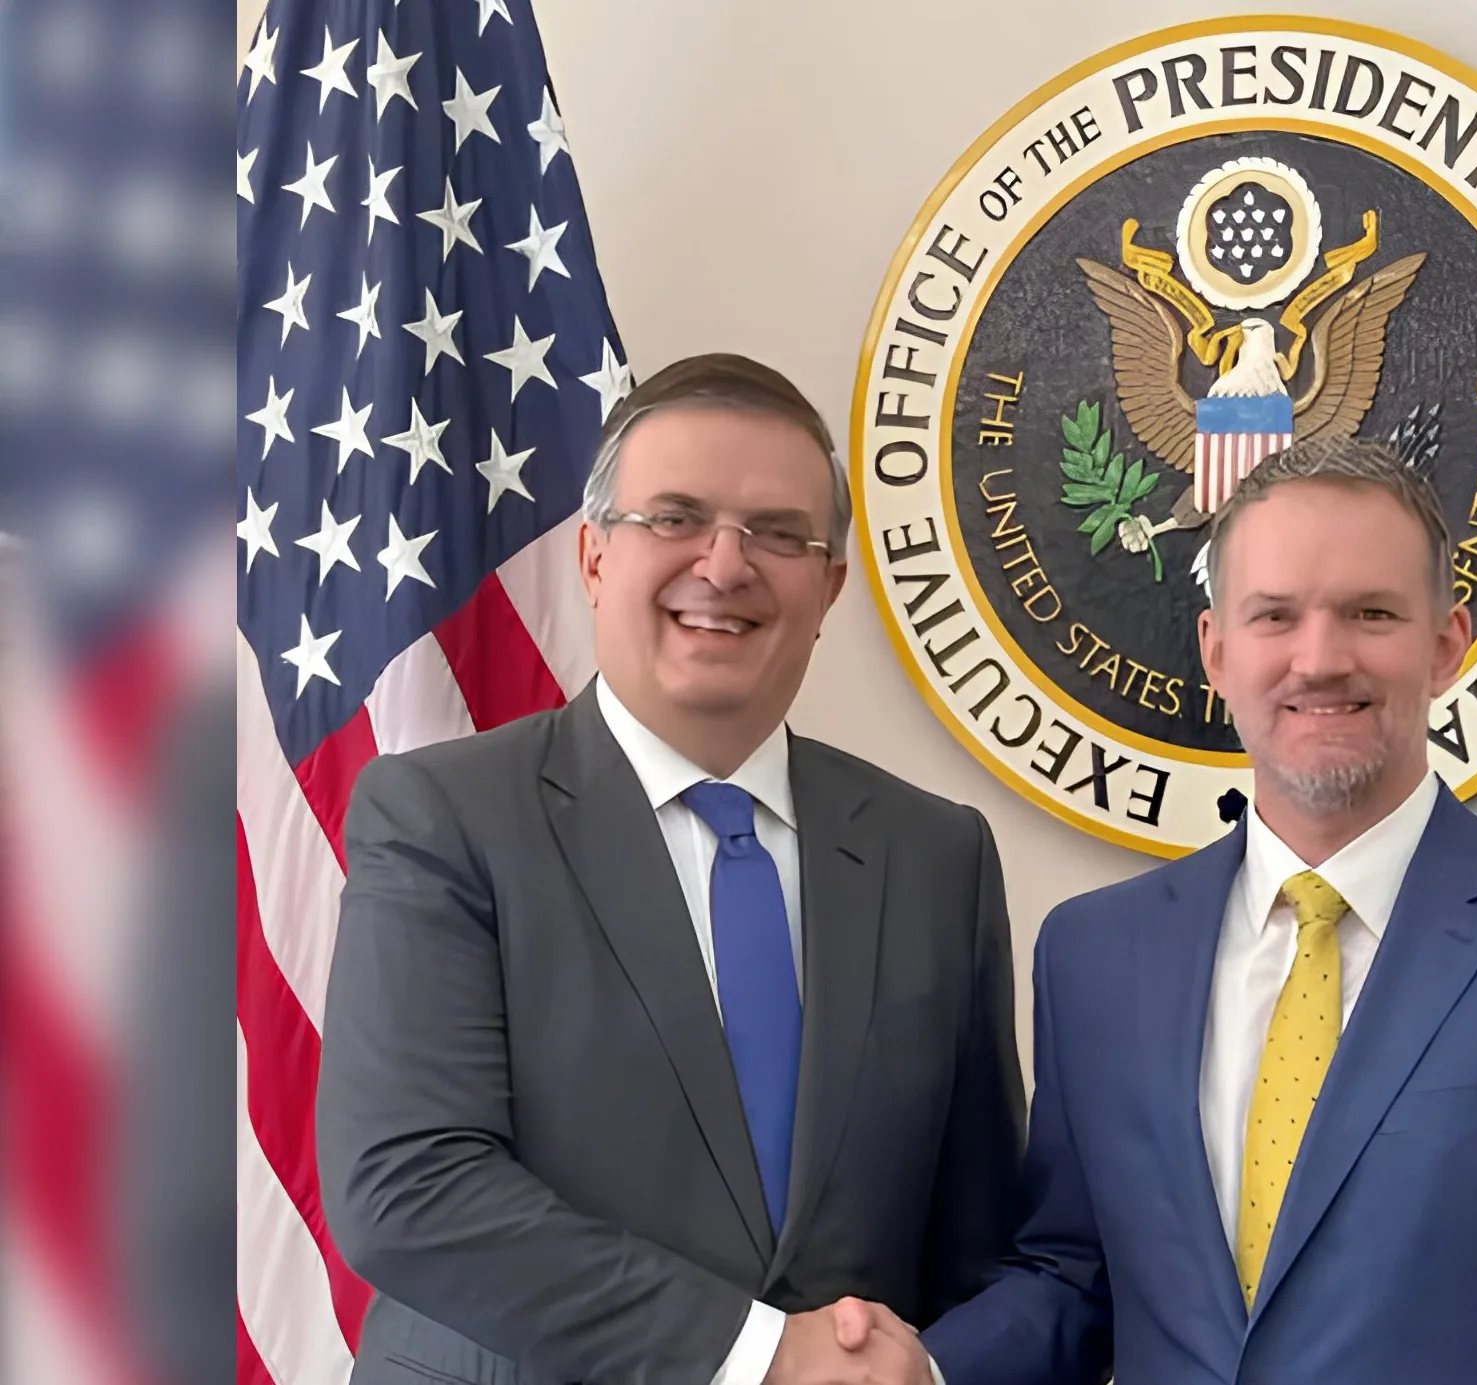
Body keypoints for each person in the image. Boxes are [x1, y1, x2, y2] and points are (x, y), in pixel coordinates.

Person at [868, 438, 1477, 1383]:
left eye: (1372, 613)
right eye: (1275, 616)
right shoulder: (1094, 955)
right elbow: (1079, 1277)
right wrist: (921, 1368)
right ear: (1217, 651)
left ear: (1446, 643)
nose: (1320, 659)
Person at [318, 354, 1019, 1385]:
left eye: (777, 532)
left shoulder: (935, 856)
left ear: (829, 586)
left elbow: (975, 1247)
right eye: (676, 517)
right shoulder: (441, 818)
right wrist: (762, 1353)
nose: (725, 565)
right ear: (595, 555)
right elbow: (409, 1185)